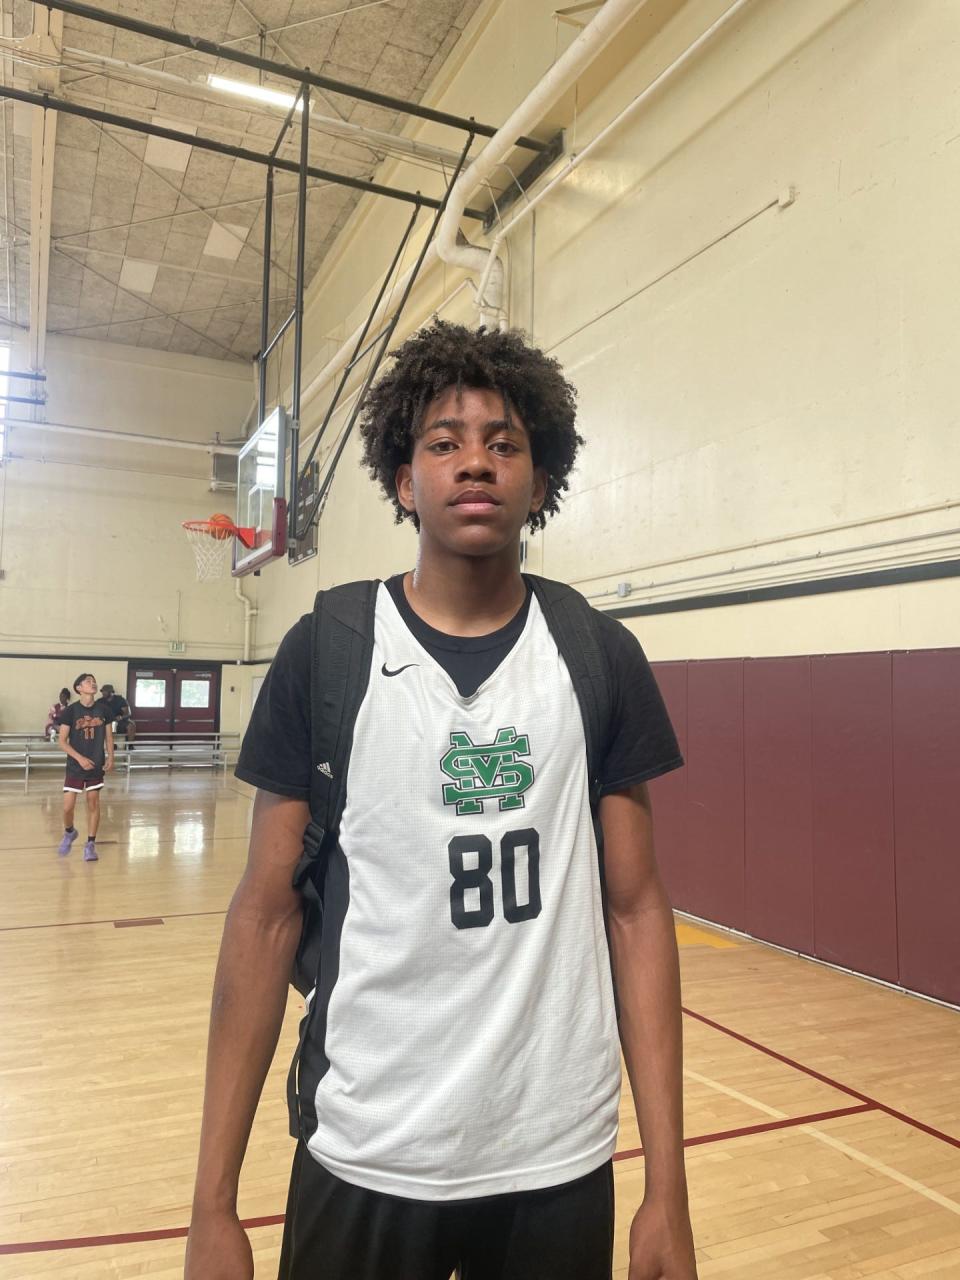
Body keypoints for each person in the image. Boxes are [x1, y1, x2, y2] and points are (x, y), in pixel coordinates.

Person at [185, 322, 698, 1280]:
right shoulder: (327, 652)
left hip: (555, 1154)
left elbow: (635, 913)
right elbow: (262, 918)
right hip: (366, 1148)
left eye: (505, 443)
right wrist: (212, 1203)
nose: (476, 463)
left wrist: (666, 1188)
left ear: (541, 482)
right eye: (443, 441)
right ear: (400, 479)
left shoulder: (596, 655)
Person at [56, 672, 113, 862]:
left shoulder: (104, 710)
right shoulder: (70, 711)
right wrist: (79, 758)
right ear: (79, 688)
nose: (93, 683)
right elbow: (62, 742)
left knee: (93, 803)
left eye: (94, 681)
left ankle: (90, 844)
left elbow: (109, 737)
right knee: (67, 808)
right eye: (89, 681)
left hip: (96, 763)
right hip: (75, 765)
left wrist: (111, 757)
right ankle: (70, 832)